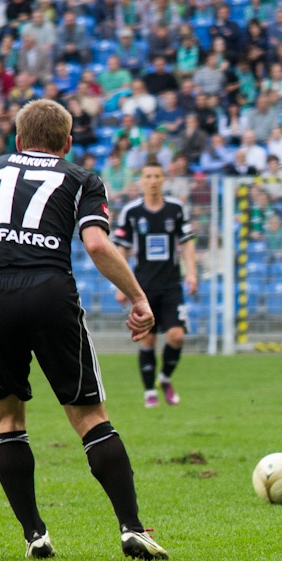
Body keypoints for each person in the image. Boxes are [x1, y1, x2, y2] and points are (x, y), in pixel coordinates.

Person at [0, 99, 169, 560]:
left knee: (7, 423)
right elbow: (96, 243)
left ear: (18, 140)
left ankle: (35, 535)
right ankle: (131, 528)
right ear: (67, 143)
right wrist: (138, 296)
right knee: (89, 417)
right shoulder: (80, 177)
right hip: (50, 293)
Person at [113, 161, 198, 408]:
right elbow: (121, 250)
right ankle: (149, 391)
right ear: (141, 180)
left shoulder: (176, 208)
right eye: (148, 176)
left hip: (172, 284)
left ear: (163, 180)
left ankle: (165, 378)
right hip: (143, 288)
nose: (152, 180)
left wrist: (191, 273)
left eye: (156, 176)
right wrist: (121, 285)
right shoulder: (131, 212)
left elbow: (187, 242)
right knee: (147, 340)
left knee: (177, 336)